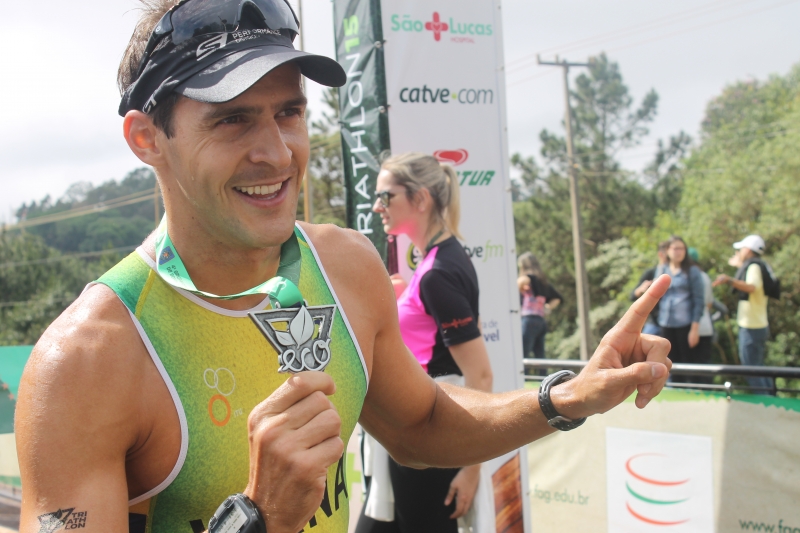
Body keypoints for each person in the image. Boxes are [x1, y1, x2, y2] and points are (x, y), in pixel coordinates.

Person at [15, 1, 674, 532]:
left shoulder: (345, 265)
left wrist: (563, 397)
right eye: (233, 121)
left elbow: (419, 423)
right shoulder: (86, 361)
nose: (277, 153)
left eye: (289, 112)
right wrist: (258, 518)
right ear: (146, 138)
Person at [356, 153, 494, 533]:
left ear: (420, 199)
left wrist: (471, 469)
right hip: (416, 431)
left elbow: (480, 376)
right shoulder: (436, 262)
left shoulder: (438, 272)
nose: (377, 206)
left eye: (385, 196)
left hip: (431, 436)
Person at [713, 235, 774, 394]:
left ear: (747, 250)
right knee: (758, 367)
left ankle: (764, 402)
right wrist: (739, 265)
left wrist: (728, 280)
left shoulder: (753, 267)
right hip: (758, 324)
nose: (739, 252)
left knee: (751, 369)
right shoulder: (760, 265)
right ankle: (771, 399)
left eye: (740, 250)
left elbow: (751, 287)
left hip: (751, 326)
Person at [655, 236, 704, 382]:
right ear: (667, 250)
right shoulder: (663, 269)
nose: (679, 252)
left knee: (687, 362)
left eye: (682, 248)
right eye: (675, 248)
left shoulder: (692, 271)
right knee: (670, 362)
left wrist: (694, 329)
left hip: (685, 324)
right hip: (665, 322)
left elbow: (699, 301)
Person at [517, 253, 562, 359]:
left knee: (523, 356)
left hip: (528, 320)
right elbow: (557, 298)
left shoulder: (528, 279)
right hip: (540, 321)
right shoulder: (543, 282)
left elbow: (518, 283)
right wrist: (547, 307)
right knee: (540, 357)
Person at [630, 241, 670, 336]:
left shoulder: (677, 273)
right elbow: (632, 295)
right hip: (654, 321)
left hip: (672, 322)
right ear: (661, 254)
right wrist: (641, 290)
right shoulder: (651, 273)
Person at [687, 247, 714, 383]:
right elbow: (709, 303)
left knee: (690, 370)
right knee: (704, 367)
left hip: (691, 328)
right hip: (706, 326)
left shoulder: (689, 276)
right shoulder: (705, 276)